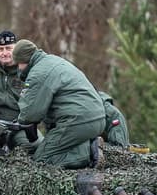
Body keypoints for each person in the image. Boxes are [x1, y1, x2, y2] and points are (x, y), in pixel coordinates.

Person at [13, 39, 105, 168]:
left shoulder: (38, 73)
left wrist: (21, 122)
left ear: (24, 60)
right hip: (97, 117)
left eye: (18, 64)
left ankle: (89, 153)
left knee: (42, 160)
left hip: (77, 121)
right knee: (57, 148)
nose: (18, 68)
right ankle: (88, 145)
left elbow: (30, 113)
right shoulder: (53, 61)